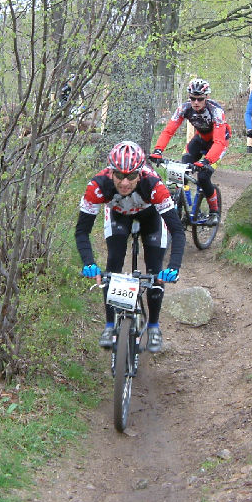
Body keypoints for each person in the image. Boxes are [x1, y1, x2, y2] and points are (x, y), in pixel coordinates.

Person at [75, 140, 185, 353]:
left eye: (131, 176)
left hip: (151, 218)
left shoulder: (154, 185)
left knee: (155, 270)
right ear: (110, 173)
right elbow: (82, 231)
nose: (125, 183)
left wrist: (174, 266)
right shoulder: (97, 186)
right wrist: (88, 262)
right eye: (119, 176)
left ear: (140, 174)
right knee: (113, 265)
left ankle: (153, 326)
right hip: (118, 216)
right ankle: (109, 325)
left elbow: (177, 231)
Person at [149, 78, 231, 226]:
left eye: (200, 99)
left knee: (203, 177)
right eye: (193, 98)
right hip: (200, 139)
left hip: (219, 143)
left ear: (206, 97)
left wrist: (205, 161)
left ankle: (214, 212)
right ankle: (186, 207)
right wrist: (158, 150)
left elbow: (219, 142)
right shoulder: (184, 109)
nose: (196, 102)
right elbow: (168, 131)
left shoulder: (216, 111)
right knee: (182, 172)